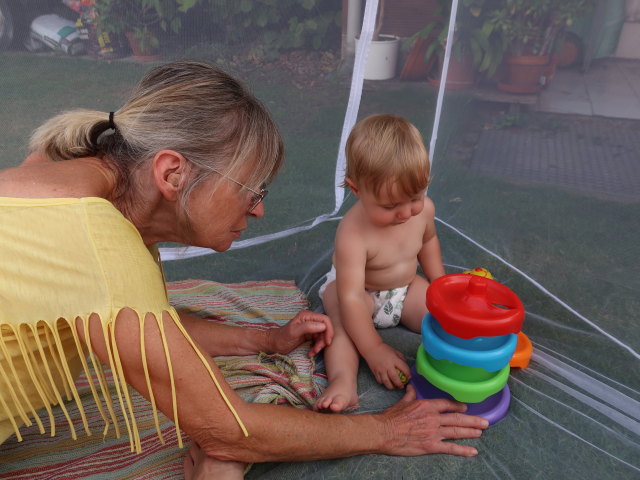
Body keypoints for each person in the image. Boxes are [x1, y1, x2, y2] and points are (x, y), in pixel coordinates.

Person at [0, 61, 487, 480]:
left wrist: (266, 341)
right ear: (173, 174)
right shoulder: (98, 246)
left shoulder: (62, 172)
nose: (257, 210)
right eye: (251, 189)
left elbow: (144, 321)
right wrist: (385, 430)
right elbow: (230, 431)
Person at [316, 114, 445, 413]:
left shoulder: (423, 211)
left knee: (441, 317)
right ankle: (343, 382)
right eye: (390, 206)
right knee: (342, 325)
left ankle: (452, 360)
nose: (405, 213)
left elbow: (428, 242)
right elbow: (350, 296)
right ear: (357, 189)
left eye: (415, 197)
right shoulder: (353, 233)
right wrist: (374, 350)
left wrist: (440, 284)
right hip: (360, 294)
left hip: (405, 289)